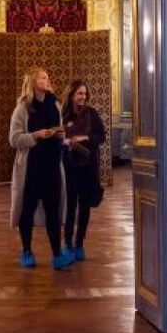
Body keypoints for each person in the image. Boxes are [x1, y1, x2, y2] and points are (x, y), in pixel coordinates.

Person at [9, 67, 73, 269]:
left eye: (47, 77)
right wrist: (36, 135)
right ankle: (27, 251)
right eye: (43, 77)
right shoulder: (22, 109)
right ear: (33, 81)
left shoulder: (55, 105)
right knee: (26, 211)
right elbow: (14, 139)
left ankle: (57, 255)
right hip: (31, 168)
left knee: (53, 210)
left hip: (52, 166)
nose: (47, 80)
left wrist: (60, 135)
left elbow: (61, 133)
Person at [61, 80, 106, 262]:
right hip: (70, 166)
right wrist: (65, 142)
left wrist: (84, 138)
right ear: (72, 94)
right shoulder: (63, 114)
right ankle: (67, 244)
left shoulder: (91, 113)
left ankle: (79, 244)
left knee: (85, 208)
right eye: (79, 93)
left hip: (88, 167)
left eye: (85, 94)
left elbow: (101, 136)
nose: (83, 97)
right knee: (70, 207)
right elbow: (57, 136)